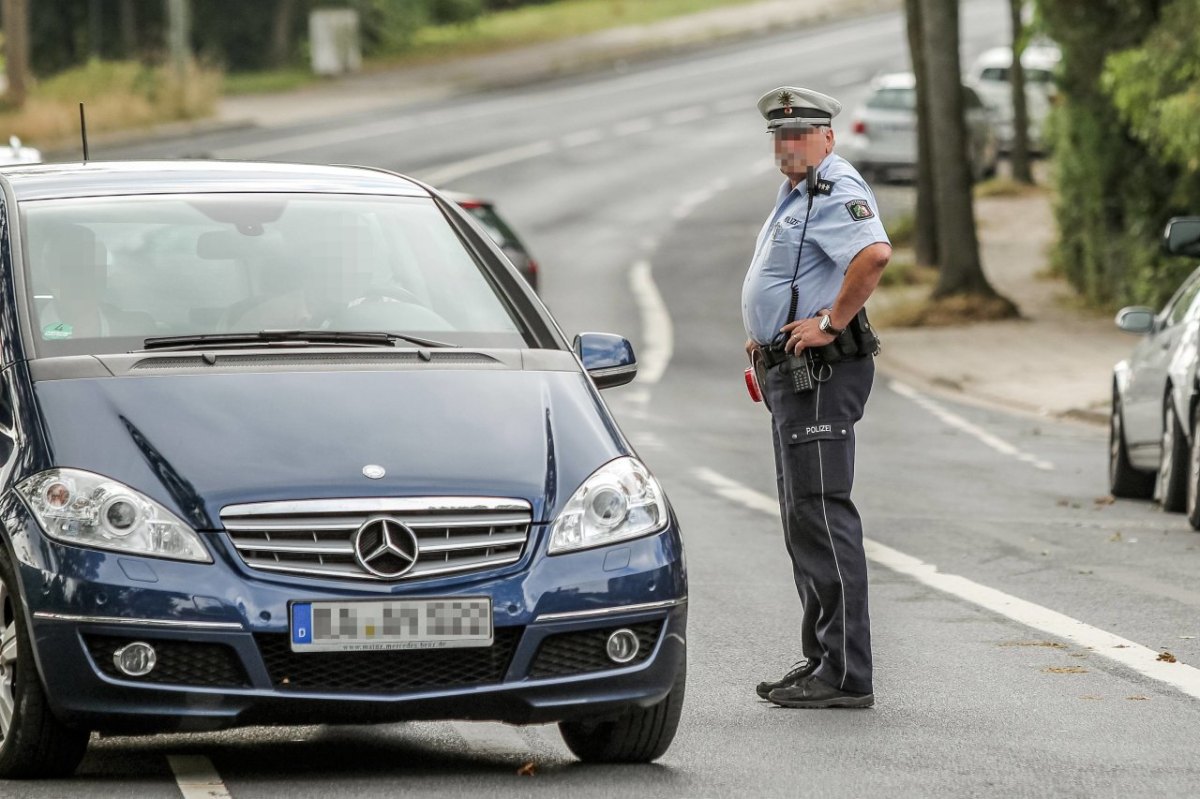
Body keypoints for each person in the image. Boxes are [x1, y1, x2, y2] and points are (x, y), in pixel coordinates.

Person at [742, 86, 892, 709]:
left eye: (800, 133)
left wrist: (829, 322)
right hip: (792, 373)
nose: (789, 144)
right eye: (781, 135)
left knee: (823, 516)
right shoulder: (799, 195)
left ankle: (846, 674)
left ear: (827, 136)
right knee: (804, 518)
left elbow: (875, 255)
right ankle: (822, 659)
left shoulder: (835, 190)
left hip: (822, 375)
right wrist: (762, 338)